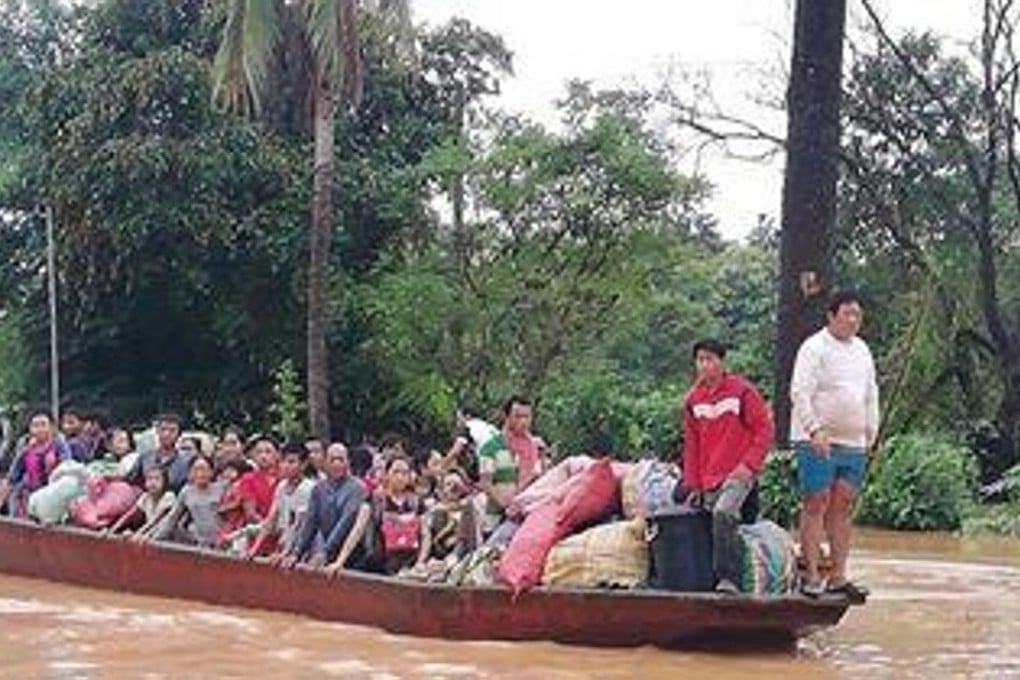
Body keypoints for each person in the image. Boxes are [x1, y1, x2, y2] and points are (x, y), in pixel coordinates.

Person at [790, 290, 879, 598]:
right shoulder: (814, 348)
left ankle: (839, 575)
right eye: (847, 314)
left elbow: (870, 394)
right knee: (816, 502)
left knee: (842, 505)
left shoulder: (863, 350)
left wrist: (872, 433)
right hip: (817, 439)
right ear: (831, 316)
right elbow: (800, 391)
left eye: (858, 315)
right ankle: (811, 575)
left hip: (854, 442)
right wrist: (814, 429)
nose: (853, 320)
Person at [681, 338, 774, 594]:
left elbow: (764, 430)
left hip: (738, 473)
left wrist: (749, 465)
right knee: (700, 520)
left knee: (723, 513)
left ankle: (728, 579)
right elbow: (692, 447)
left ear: (722, 363)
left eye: (710, 359)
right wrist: (694, 485)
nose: (705, 365)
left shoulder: (742, 392)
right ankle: (707, 577)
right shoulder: (692, 401)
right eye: (700, 360)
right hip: (709, 477)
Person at [282, 443, 370, 573]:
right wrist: (296, 553)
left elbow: (345, 523)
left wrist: (325, 552)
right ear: (325, 463)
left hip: (356, 556)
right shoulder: (318, 489)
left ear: (348, 462)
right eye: (332, 460)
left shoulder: (357, 488)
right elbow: (310, 523)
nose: (336, 464)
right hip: (329, 554)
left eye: (341, 459)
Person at [247, 443, 316, 559]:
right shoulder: (281, 486)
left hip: (305, 550)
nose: (286, 466)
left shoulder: (309, 488)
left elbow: (299, 526)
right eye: (283, 461)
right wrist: (254, 549)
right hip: (284, 546)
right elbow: (270, 520)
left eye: (291, 462)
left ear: (303, 465)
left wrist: (286, 553)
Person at [0, 410, 71, 516]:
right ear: (30, 429)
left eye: (43, 424)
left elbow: (68, 468)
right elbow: (12, 477)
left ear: (52, 427)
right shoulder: (26, 450)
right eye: (35, 425)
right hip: (29, 496)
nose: (39, 429)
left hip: (56, 498)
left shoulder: (59, 445)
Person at [151, 454, 224, 547]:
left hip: (222, 541)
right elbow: (172, 518)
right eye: (196, 469)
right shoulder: (186, 492)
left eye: (204, 469)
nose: (200, 474)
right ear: (191, 473)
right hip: (201, 543)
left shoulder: (221, 488)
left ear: (211, 471)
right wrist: (155, 539)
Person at [126, 414, 191, 493]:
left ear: (179, 434)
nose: (166, 434)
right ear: (157, 431)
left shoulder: (186, 463)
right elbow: (130, 482)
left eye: (172, 430)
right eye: (163, 429)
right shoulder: (145, 458)